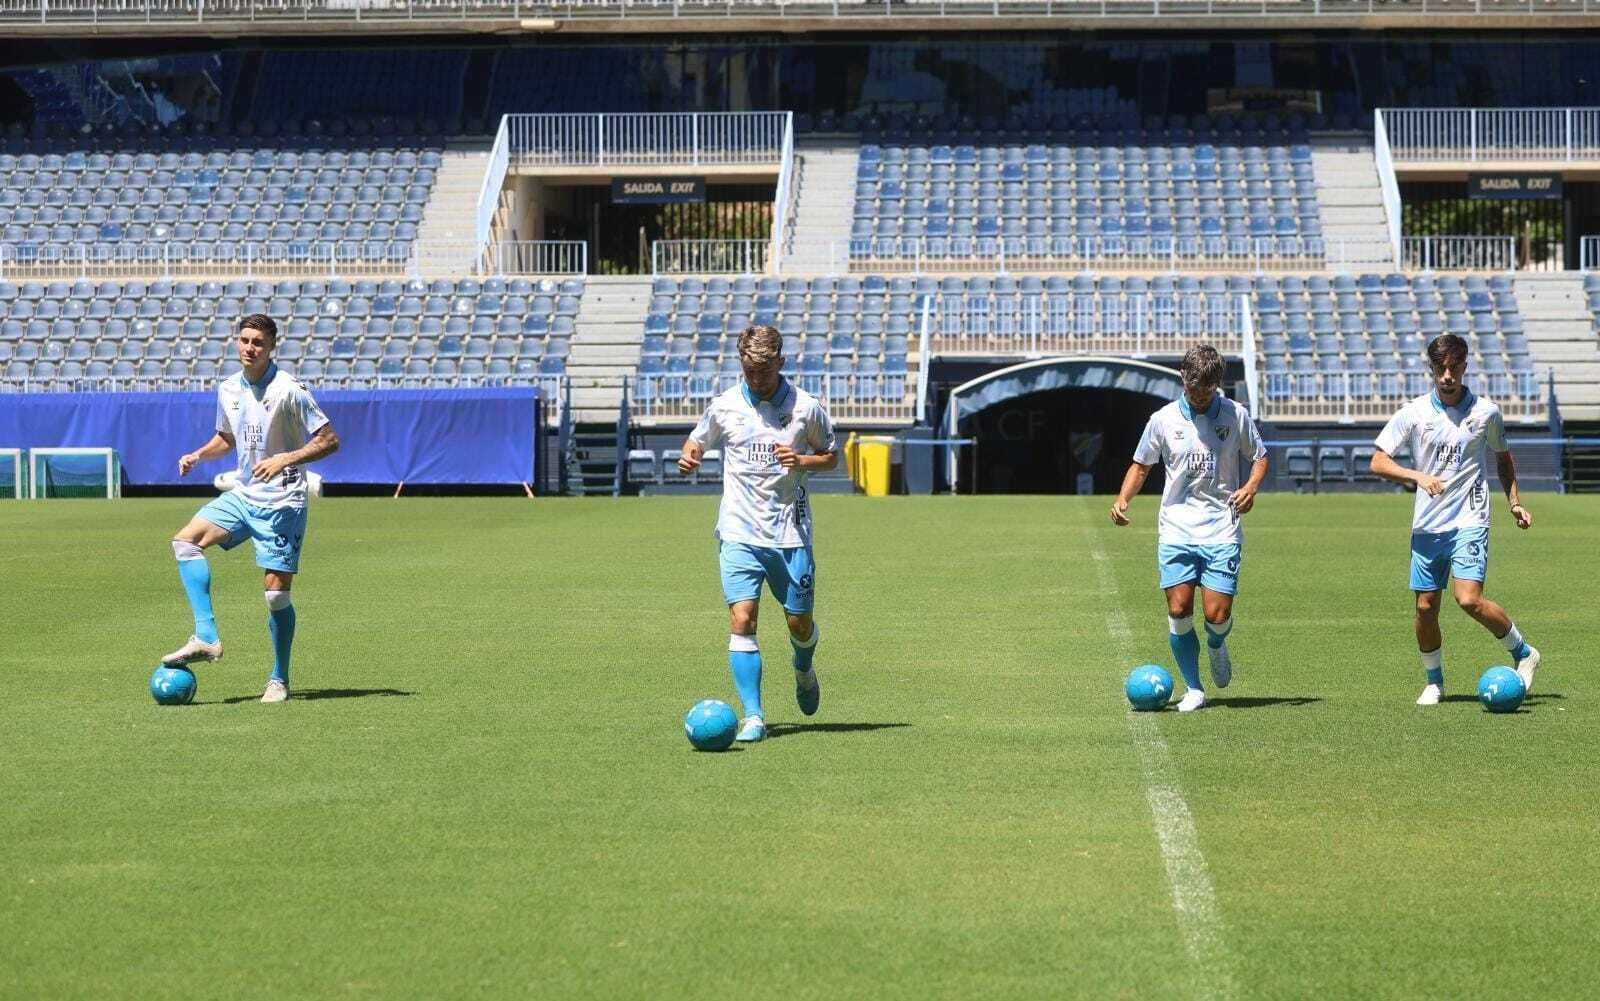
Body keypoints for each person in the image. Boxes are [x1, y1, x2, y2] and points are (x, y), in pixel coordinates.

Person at [161, 314, 340, 704]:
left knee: (276, 596)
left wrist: (285, 459)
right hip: (245, 494)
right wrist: (198, 454)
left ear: (272, 346)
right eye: (244, 340)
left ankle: (279, 679)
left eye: (258, 342)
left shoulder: (290, 389)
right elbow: (227, 438)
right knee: (185, 542)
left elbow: (329, 440)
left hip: (283, 502)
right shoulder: (228, 388)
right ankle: (206, 637)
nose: (249, 347)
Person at [678, 324, 838, 743]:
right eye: (749, 372)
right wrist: (690, 455)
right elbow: (697, 440)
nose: (756, 380)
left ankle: (803, 669)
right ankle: (754, 717)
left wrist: (802, 459)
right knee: (742, 619)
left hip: (790, 534)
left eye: (764, 373)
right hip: (738, 532)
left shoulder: (806, 408)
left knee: (800, 625)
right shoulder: (725, 405)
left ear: (780, 364)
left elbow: (832, 458)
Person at [1371, 333, 1539, 705]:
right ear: (1431, 369)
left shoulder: (1486, 412)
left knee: (1468, 599)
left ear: (1465, 367)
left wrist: (1514, 503)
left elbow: (1502, 457)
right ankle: (1435, 682)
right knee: (1426, 607)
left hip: (1471, 517)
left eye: (1454, 368)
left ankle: (1524, 653)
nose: (1447, 375)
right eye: (1440, 368)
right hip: (1428, 525)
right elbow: (1378, 460)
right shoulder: (1414, 412)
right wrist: (1418, 478)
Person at [1110, 345, 1269, 712]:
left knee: (1216, 616)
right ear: (1183, 377)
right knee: (1179, 609)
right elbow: (1141, 464)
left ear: (1217, 385)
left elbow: (1259, 457)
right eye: (1192, 387)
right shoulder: (1163, 419)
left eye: (1205, 390)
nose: (1197, 395)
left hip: (1221, 530)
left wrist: (1250, 488)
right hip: (1177, 529)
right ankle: (1194, 688)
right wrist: (1123, 500)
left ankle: (1216, 644)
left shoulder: (1235, 415)